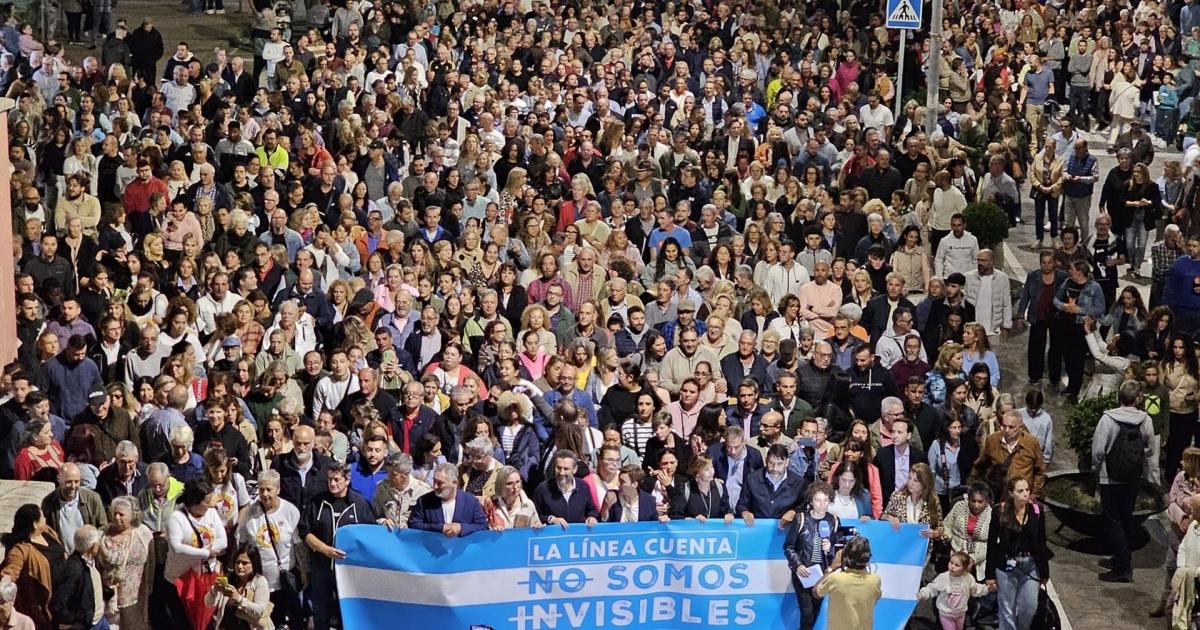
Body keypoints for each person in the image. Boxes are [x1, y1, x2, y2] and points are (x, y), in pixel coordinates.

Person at [1092, 380, 1155, 583]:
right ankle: (1122, 557)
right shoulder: (1145, 420)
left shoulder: (1108, 419)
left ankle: (1122, 568)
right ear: (1138, 399)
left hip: (1110, 477)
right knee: (1126, 518)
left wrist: (1096, 469)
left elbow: (1099, 451)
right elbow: (1150, 448)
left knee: (1113, 520)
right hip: (1133, 478)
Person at [300, 462, 374, 630]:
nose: (332, 484)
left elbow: (371, 534)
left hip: (350, 571)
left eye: (337, 480)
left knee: (347, 612)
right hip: (322, 568)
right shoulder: (317, 502)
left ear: (347, 480)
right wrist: (324, 549)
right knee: (321, 612)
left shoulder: (360, 504)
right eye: (330, 480)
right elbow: (305, 532)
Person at [236, 470, 301, 629]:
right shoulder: (250, 513)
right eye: (261, 489)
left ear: (278, 489)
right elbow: (242, 544)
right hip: (258, 582)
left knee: (280, 622)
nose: (264, 494)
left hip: (283, 579)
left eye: (269, 489)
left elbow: (299, 546)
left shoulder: (290, 511)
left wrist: (304, 574)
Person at [986, 476, 1050, 630]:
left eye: (1027, 490)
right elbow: (992, 543)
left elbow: (1041, 542)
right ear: (1011, 493)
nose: (1025, 494)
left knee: (1029, 607)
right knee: (1006, 609)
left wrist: (1044, 572)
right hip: (1006, 565)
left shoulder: (1037, 511)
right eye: (1020, 491)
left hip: (1030, 565)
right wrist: (990, 575)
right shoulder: (999, 511)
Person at [166, 480, 228, 630]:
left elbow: (223, 541)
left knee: (207, 622)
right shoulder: (176, 518)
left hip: (207, 577)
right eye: (206, 501)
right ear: (194, 502)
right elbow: (177, 547)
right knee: (185, 623)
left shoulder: (212, 513)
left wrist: (207, 552)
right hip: (181, 579)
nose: (210, 505)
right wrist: (206, 552)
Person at [784, 481, 840, 630]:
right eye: (818, 500)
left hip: (822, 575)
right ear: (811, 500)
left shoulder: (833, 520)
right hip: (803, 573)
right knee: (806, 612)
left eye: (826, 500)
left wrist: (831, 547)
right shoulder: (801, 519)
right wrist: (798, 565)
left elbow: (837, 550)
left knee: (815, 612)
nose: (822, 504)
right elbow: (789, 547)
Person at [1, 504, 65, 627]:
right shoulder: (20, 550)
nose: (45, 519)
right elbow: (11, 570)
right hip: (44, 606)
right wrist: (5, 581)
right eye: (42, 517)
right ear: (35, 524)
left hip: (62, 596)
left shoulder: (47, 532)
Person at [100, 495, 154, 629]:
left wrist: (148, 592)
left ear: (133, 515)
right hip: (107, 598)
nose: (117, 517)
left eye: (121, 514)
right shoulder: (101, 533)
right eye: (114, 513)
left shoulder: (143, 534)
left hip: (134, 598)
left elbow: (150, 566)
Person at [812, 536, 882, 630]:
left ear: (845, 556)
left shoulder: (835, 579)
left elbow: (816, 592)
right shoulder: (875, 580)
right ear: (867, 558)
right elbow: (875, 600)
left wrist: (832, 568)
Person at [408, 462, 489, 536]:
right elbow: (413, 524)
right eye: (434, 481)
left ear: (454, 483)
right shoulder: (424, 501)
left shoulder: (471, 502)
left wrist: (461, 528)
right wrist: (440, 528)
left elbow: (483, 527)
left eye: (440, 483)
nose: (435, 486)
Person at [205, 543, 274, 629]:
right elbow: (208, 603)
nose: (240, 566)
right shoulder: (229, 579)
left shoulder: (259, 581)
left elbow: (259, 611)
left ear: (254, 564)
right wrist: (214, 591)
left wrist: (238, 599)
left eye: (245, 563)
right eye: (238, 562)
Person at [917, 550, 990, 630]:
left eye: (957, 565)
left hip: (961, 613)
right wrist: (923, 593)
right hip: (946, 614)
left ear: (964, 568)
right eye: (951, 562)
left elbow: (975, 589)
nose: (952, 566)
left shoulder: (968, 578)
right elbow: (932, 588)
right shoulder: (943, 577)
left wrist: (986, 589)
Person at [49, 525, 104, 630]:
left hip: (100, 620)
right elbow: (58, 603)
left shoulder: (92, 560)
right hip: (88, 624)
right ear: (92, 546)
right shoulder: (73, 569)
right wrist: (76, 621)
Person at [532, 449, 600, 527]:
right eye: (558, 468)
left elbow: (592, 510)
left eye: (566, 469)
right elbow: (535, 515)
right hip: (553, 537)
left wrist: (591, 517)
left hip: (577, 536)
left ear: (575, 469)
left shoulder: (583, 486)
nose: (561, 473)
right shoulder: (543, 489)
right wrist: (551, 519)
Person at [601, 465, 669, 523]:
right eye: (619, 480)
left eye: (622, 482)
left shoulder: (649, 501)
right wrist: (605, 507)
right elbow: (603, 522)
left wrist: (662, 519)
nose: (618, 484)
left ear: (634, 484)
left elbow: (654, 524)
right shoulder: (612, 497)